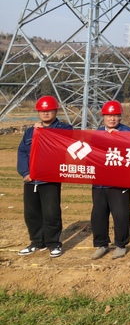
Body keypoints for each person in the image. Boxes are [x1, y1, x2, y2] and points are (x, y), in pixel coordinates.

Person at [17, 96, 73, 258]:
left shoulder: (64, 128)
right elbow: (22, 152)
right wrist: (25, 173)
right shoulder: (30, 132)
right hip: (31, 180)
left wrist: (43, 132)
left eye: (49, 110)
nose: (46, 113)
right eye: (42, 111)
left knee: (51, 213)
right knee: (31, 214)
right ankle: (36, 242)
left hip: (50, 180)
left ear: (55, 111)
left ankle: (53, 244)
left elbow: (66, 143)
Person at [91, 100, 130, 260]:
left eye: (115, 115)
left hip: (119, 182)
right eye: (109, 115)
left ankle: (121, 245)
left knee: (121, 214)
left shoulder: (128, 132)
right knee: (99, 214)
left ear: (120, 117)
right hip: (99, 182)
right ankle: (101, 244)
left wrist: (118, 138)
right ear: (103, 117)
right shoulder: (97, 134)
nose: (112, 118)